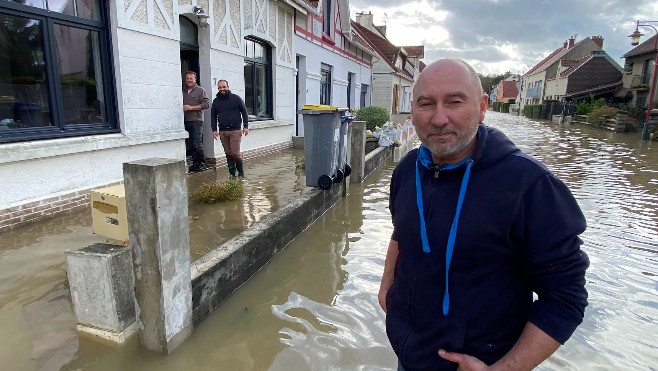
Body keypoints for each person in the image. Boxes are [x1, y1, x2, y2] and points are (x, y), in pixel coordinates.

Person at [379, 59, 589, 370]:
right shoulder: (408, 169)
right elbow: (402, 230)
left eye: (454, 102)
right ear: (412, 111)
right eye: (426, 103)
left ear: (481, 107)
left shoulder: (529, 185)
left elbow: (565, 297)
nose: (438, 118)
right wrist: (387, 289)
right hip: (407, 356)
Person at [211, 79, 249, 178]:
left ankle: (241, 174)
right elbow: (213, 116)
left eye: (224, 87)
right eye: (220, 87)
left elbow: (244, 112)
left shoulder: (236, 98)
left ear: (228, 87)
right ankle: (232, 174)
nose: (222, 89)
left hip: (235, 130)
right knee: (228, 153)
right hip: (223, 131)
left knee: (235, 153)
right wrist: (214, 130)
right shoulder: (216, 101)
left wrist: (245, 126)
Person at [182, 71, 210, 172]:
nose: (189, 80)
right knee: (190, 144)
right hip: (186, 120)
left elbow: (206, 104)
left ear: (195, 79)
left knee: (197, 143)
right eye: (187, 78)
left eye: (191, 78)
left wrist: (192, 108)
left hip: (196, 121)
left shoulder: (200, 91)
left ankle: (201, 163)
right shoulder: (183, 91)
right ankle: (195, 164)